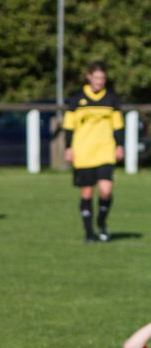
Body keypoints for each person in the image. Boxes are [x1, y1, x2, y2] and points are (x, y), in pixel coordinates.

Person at [63, 61, 123, 243]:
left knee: (105, 190)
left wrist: (119, 145)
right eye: (96, 77)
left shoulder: (111, 99)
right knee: (87, 193)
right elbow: (68, 127)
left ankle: (102, 222)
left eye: (102, 78)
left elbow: (118, 126)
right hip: (83, 153)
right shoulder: (76, 100)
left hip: (105, 152)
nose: (99, 81)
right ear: (89, 77)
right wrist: (69, 148)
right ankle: (89, 233)